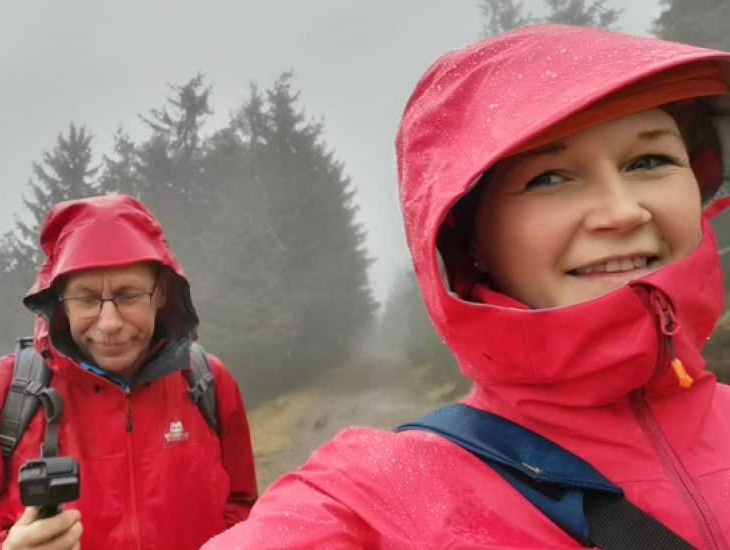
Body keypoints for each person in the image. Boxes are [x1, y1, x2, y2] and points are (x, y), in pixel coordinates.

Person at [203, 24, 730, 549]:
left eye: (650, 161)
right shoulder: (379, 500)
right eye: (549, 177)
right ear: (469, 238)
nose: (621, 211)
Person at [0, 194, 257, 549]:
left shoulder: (207, 383)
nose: (110, 323)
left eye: (128, 295)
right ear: (59, 303)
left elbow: (242, 513)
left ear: (160, 293)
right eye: (86, 299)